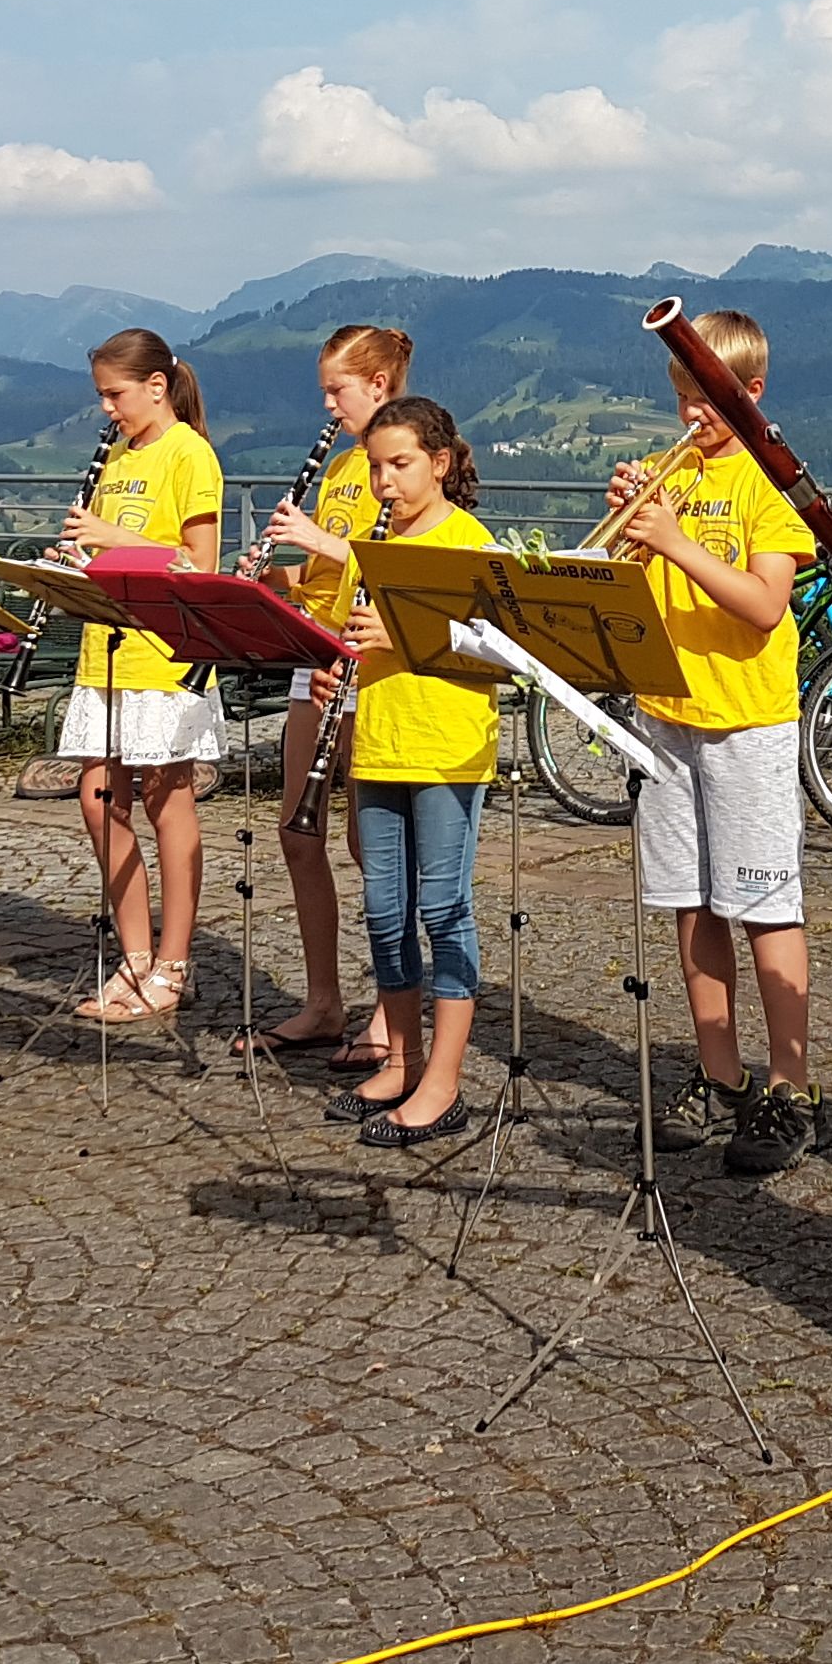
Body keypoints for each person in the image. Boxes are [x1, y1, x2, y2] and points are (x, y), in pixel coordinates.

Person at [601, 306, 823, 1178]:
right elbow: (641, 589)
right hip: (668, 712)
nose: (691, 416)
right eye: (682, 397)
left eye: (708, 399)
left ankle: (791, 1087)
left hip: (747, 721)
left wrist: (676, 539)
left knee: (764, 904)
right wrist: (635, 532)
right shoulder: (678, 476)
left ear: (751, 394)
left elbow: (764, 604)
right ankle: (720, 1073)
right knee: (690, 903)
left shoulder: (770, 483)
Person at [328, 396, 498, 1148]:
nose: (384, 482)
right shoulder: (372, 543)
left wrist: (400, 636)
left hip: (445, 745)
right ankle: (403, 1060)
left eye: (399, 465)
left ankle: (444, 1083)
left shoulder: (467, 543)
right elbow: (346, 634)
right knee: (384, 910)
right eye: (375, 468)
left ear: (440, 463)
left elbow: (497, 652)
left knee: (443, 908)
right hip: (379, 741)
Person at [239, 322, 409, 1060]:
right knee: (296, 832)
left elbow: (406, 565)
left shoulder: (405, 461)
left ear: (378, 385)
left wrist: (319, 540)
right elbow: (322, 576)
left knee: (372, 843)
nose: (329, 406)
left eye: (338, 391)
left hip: (375, 661)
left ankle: (393, 1013)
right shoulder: (341, 467)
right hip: (316, 658)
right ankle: (322, 1002)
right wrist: (270, 576)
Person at [59, 326, 226, 1027]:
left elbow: (199, 563)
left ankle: (173, 962)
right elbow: (111, 555)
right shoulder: (119, 458)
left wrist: (112, 539)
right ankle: (133, 955)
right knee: (98, 799)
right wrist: (76, 563)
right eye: (101, 395)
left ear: (157, 387)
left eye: (115, 394)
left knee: (167, 803)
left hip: (165, 655)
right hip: (106, 649)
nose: (107, 409)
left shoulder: (190, 453)